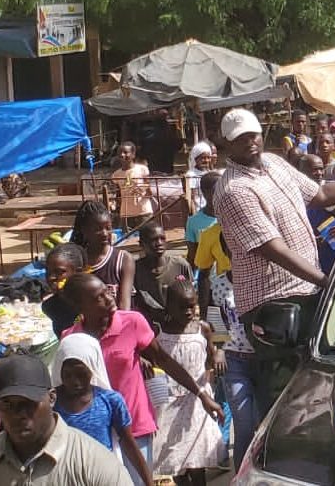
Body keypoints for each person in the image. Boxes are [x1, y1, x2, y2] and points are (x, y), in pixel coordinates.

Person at [213, 109, 335, 413]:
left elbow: (322, 193)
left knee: (316, 390)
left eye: (253, 135)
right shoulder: (233, 190)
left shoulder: (273, 163)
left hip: (304, 293)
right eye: (240, 139)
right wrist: (328, 281)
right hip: (272, 305)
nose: (250, 142)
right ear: (227, 145)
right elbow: (274, 249)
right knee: (290, 399)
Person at [62, 273, 223, 485]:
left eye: (106, 291)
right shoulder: (72, 339)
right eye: (98, 297)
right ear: (80, 306)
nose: (109, 297)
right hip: (97, 429)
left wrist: (201, 394)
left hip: (135, 423)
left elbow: (163, 360)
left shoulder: (132, 322)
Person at [0, 355, 135, 486]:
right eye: (7, 404)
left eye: (28, 403)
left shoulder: (94, 465)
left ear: (51, 398)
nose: (18, 413)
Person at [191, 196, 256, 471]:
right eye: (229, 249)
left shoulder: (260, 277)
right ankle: (240, 475)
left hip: (266, 358)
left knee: (263, 421)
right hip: (235, 361)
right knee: (243, 424)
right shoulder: (218, 283)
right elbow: (216, 316)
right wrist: (217, 347)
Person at [51, 334, 153, 486]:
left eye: (81, 374)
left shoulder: (110, 401)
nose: (74, 381)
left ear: (92, 368)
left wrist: (148, 482)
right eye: (68, 374)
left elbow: (128, 442)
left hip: (101, 476)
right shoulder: (51, 403)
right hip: (64, 476)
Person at [153, 279, 224, 486]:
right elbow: (153, 358)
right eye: (182, 307)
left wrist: (216, 362)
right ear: (169, 307)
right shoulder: (159, 331)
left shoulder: (202, 329)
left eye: (191, 306)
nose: (188, 312)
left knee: (197, 458)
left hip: (198, 402)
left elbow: (211, 357)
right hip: (170, 404)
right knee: (175, 457)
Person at [70, 200, 135, 311]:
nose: (105, 233)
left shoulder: (123, 259)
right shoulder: (77, 262)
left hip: (118, 322)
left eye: (108, 228)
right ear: (84, 231)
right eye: (97, 229)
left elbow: (125, 306)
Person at [133, 221, 194, 326]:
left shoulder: (180, 265)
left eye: (162, 238)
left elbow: (192, 298)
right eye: (153, 240)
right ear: (141, 244)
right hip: (150, 326)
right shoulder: (135, 270)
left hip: (178, 326)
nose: (159, 243)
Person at [43, 243, 87, 336]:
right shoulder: (49, 307)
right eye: (48, 272)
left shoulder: (93, 304)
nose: (51, 277)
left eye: (59, 272)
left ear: (78, 272)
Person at [111, 141, 154, 231]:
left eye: (126, 152)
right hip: (126, 213)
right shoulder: (116, 175)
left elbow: (149, 189)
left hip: (143, 212)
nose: (122, 155)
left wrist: (142, 190)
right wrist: (113, 203)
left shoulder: (142, 169)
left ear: (133, 155)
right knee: (126, 241)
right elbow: (117, 194)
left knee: (147, 236)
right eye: (120, 153)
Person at [185, 172, 220, 266]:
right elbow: (192, 255)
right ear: (204, 192)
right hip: (207, 274)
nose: (221, 195)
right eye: (216, 191)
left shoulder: (231, 217)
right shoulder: (193, 222)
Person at [184, 140, 217, 213]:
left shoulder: (210, 173)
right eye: (203, 158)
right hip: (199, 210)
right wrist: (194, 213)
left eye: (208, 157)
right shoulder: (191, 175)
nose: (206, 160)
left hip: (211, 210)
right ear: (195, 159)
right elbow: (191, 198)